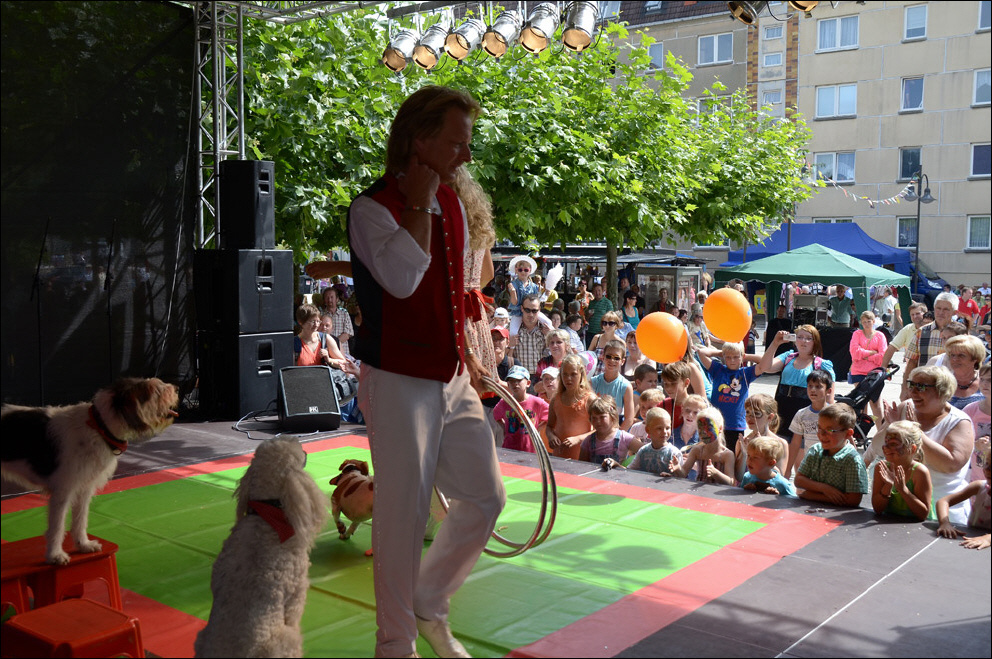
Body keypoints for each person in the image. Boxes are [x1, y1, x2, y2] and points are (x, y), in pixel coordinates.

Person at [347, 85, 506, 658]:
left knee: (485, 498)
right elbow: (402, 280)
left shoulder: (453, 204)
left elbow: (458, 289)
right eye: (457, 142)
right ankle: (395, 645)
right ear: (419, 140)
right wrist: (416, 205)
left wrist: (473, 357)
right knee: (403, 515)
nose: (467, 154)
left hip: (451, 372)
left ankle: (429, 602)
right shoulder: (370, 208)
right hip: (396, 378)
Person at [888, 365, 976, 525]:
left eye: (921, 386)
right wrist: (888, 428)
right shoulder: (905, 408)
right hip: (901, 505)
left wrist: (915, 432)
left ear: (942, 391)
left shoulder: (959, 422)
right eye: (911, 384)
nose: (913, 392)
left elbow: (951, 465)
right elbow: (878, 449)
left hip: (943, 513)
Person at [451, 165, 498, 386]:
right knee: (475, 388)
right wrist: (471, 290)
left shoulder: (445, 220)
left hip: (454, 312)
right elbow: (488, 273)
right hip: (474, 313)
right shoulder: (478, 223)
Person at [758, 325, 836, 448]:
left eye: (808, 338)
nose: (804, 341)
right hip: (782, 409)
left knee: (801, 452)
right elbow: (765, 367)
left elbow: (829, 398)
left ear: (815, 342)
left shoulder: (822, 364)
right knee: (779, 451)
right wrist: (775, 343)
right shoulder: (788, 357)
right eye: (800, 337)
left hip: (806, 412)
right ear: (794, 339)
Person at [794, 403, 870, 507]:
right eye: (819, 428)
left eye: (830, 430)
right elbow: (799, 480)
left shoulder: (852, 460)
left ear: (848, 434)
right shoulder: (815, 450)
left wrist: (812, 495)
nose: (822, 434)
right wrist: (824, 488)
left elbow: (853, 500)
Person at [697, 341, 763, 452]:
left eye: (736, 357)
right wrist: (722, 353)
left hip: (735, 425)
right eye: (728, 357)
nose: (732, 360)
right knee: (714, 453)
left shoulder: (746, 373)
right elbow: (701, 352)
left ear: (741, 357)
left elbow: (763, 362)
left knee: (734, 454)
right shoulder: (717, 369)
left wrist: (744, 355)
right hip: (716, 422)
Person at [870, 420, 934, 521]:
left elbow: (923, 514)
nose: (885, 447)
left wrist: (903, 490)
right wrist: (887, 486)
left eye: (893, 444)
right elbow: (877, 509)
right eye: (886, 442)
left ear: (912, 448)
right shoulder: (881, 468)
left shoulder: (919, 472)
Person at [903, 291, 959, 398]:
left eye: (946, 309)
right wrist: (905, 389)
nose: (941, 312)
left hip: (952, 391)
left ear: (954, 312)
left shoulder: (960, 333)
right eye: (938, 308)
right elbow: (912, 362)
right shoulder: (921, 332)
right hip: (924, 390)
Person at [935, 445, 990, 550]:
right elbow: (943, 501)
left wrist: (988, 539)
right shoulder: (979, 487)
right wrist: (944, 523)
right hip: (971, 537)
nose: (987, 469)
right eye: (986, 463)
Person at [786, 369, 835, 480]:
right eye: (810, 386)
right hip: (811, 466)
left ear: (828, 390)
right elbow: (795, 444)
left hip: (832, 466)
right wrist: (788, 469)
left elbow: (847, 438)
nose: (813, 390)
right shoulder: (801, 414)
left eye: (818, 387)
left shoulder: (835, 413)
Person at [547, 353, 597, 460]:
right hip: (559, 456)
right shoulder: (556, 399)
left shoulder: (589, 399)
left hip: (581, 458)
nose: (568, 378)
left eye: (573, 374)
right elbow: (549, 426)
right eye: (565, 374)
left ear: (581, 375)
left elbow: (599, 429)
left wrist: (578, 439)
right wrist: (551, 436)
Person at [668, 407, 735, 485]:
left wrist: (716, 473)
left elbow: (730, 482)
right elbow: (683, 473)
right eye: (700, 428)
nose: (704, 432)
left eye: (709, 428)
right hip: (698, 491)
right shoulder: (697, 450)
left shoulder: (726, 455)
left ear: (720, 428)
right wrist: (678, 468)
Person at [493, 365, 549, 453]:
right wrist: (504, 427)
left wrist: (537, 428)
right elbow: (496, 414)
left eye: (519, 380)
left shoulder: (537, 402)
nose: (515, 384)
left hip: (530, 449)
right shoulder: (505, 402)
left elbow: (551, 415)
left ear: (528, 383)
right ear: (508, 384)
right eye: (511, 381)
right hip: (509, 448)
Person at [737, 394, 789, 485]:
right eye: (747, 412)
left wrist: (763, 450)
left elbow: (780, 477)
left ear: (770, 417)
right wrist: (745, 454)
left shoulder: (780, 443)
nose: (750, 417)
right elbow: (739, 477)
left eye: (756, 413)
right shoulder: (743, 442)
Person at [293, 304, 359, 374]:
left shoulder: (326, 339)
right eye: (312, 321)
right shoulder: (294, 343)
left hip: (324, 380)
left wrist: (329, 360)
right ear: (301, 322)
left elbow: (343, 362)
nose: (316, 325)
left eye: (318, 321)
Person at [579, 395, 641, 466]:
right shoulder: (588, 441)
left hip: (617, 473)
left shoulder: (624, 438)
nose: (598, 421)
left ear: (612, 416)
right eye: (594, 418)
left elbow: (646, 451)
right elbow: (581, 466)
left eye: (602, 417)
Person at [849, 310, 887, 420]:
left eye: (869, 321)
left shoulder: (880, 336)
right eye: (864, 322)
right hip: (858, 372)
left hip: (875, 373)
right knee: (861, 404)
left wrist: (865, 356)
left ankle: (881, 429)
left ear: (874, 321)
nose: (866, 324)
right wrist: (872, 353)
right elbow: (854, 352)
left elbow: (882, 356)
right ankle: (862, 429)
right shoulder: (857, 334)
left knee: (876, 404)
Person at [590, 339, 636, 431]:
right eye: (608, 356)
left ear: (622, 361)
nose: (612, 360)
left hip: (615, 430)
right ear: (603, 357)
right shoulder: (593, 382)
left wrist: (616, 436)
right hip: (594, 429)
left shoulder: (626, 386)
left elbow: (629, 418)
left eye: (616, 358)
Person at [629, 407, 683, 476]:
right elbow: (630, 470)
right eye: (659, 428)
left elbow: (682, 477)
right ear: (648, 430)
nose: (664, 432)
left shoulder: (674, 453)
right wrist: (618, 466)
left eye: (667, 428)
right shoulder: (643, 451)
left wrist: (672, 475)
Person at [942, 335, 986, 409]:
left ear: (975, 359)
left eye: (961, 355)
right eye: (952, 355)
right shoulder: (942, 381)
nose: (955, 359)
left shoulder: (986, 380)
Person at [963, 363, 990, 482]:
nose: (984, 383)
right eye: (982, 379)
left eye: (990, 380)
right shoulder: (970, 410)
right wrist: (975, 445)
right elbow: (960, 444)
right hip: (977, 480)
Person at [511, 294, 551, 376]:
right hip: (519, 376)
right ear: (522, 309)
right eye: (527, 310)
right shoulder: (512, 329)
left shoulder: (546, 329)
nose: (531, 314)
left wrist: (550, 338)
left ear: (539, 310)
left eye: (534, 311)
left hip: (540, 376)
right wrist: (509, 345)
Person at [881, 301, 928, 369]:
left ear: (925, 313)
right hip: (912, 370)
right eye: (912, 315)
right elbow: (892, 347)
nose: (915, 316)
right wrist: (883, 367)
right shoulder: (908, 329)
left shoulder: (934, 328)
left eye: (918, 313)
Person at [506, 255, 540, 337]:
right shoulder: (513, 284)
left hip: (531, 312)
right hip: (518, 312)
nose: (523, 272)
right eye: (520, 270)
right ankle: (512, 345)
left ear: (530, 271)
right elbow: (514, 302)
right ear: (516, 270)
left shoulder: (534, 286)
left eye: (526, 270)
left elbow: (537, 302)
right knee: (513, 333)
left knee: (548, 323)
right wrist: (513, 292)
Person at [321, 285, 355, 359]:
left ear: (337, 299)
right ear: (324, 300)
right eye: (327, 297)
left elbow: (347, 334)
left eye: (332, 297)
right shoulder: (321, 315)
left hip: (343, 354)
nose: (329, 300)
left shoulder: (344, 314)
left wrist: (332, 345)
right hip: (326, 354)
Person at [588, 310, 623, 376]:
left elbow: (620, 364)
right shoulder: (597, 338)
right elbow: (588, 357)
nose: (607, 326)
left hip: (611, 377)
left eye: (611, 323)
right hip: (594, 376)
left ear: (616, 325)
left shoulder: (620, 342)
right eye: (604, 323)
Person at [534, 329, 571, 393]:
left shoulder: (573, 363)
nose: (554, 345)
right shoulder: (543, 363)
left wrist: (548, 382)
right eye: (552, 342)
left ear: (567, 346)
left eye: (559, 342)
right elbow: (536, 388)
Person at [585, 281, 615, 347]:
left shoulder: (608, 302)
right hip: (591, 331)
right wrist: (588, 315)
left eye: (599, 290)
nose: (597, 293)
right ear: (593, 293)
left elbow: (611, 318)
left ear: (602, 291)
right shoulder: (591, 303)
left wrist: (605, 330)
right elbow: (587, 318)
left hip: (601, 332)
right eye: (595, 291)